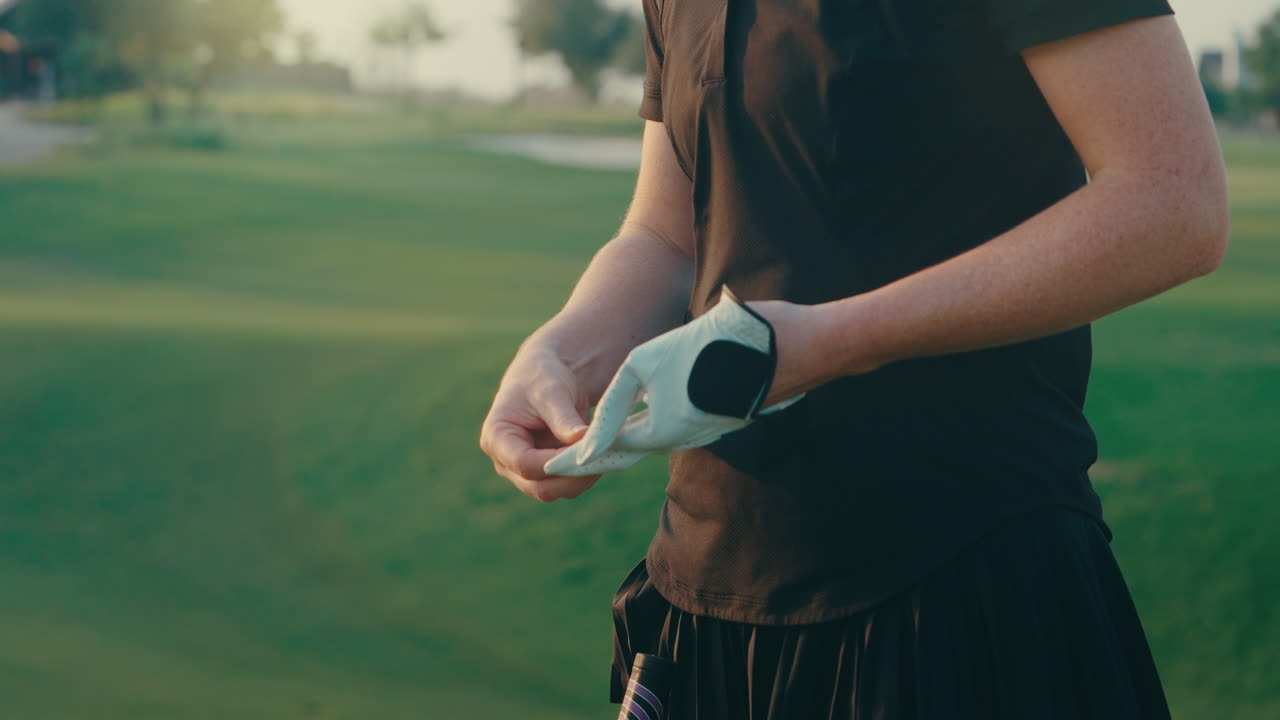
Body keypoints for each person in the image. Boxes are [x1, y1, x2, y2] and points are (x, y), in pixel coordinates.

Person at [479, 0, 1229, 717]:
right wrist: (561, 351)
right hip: (709, 594)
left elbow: (1174, 202)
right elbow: (668, 234)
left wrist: (836, 340)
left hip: (959, 596)